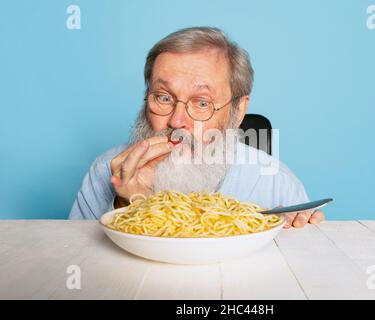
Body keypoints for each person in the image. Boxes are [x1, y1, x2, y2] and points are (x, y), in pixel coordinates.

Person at [69, 26, 325, 228]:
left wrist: (301, 232)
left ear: (238, 110)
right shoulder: (105, 172)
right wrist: (128, 203)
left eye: (202, 103)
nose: (176, 121)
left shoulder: (277, 185)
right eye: (164, 97)